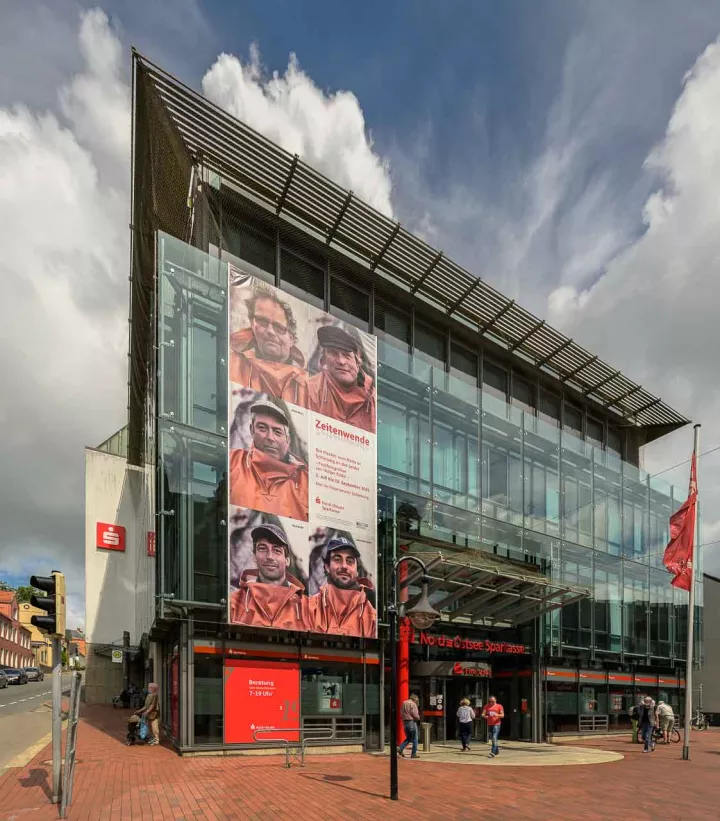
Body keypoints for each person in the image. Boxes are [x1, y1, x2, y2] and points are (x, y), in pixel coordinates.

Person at [229, 401, 309, 520]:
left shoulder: (304, 480)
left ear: (288, 439)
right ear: (252, 430)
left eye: (277, 432)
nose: (270, 438)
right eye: (262, 428)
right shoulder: (233, 461)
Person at [230, 286, 308, 407]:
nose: (270, 331)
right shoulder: (233, 364)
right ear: (252, 324)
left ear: (291, 339)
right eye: (262, 321)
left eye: (278, 327)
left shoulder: (307, 387)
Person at [229, 524, 308, 630]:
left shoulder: (308, 608)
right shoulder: (234, 603)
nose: (270, 556)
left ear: (287, 560)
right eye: (262, 549)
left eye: (277, 550)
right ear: (254, 557)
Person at [307, 325, 376, 433]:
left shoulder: (373, 397)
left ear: (358, 359)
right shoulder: (308, 390)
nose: (341, 361)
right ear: (324, 359)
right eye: (333, 353)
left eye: (346, 355)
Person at [308, 537, 377, 637]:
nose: (344, 566)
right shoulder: (310, 608)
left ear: (357, 570)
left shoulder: (371, 615)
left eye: (350, 561)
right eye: (337, 559)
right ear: (327, 567)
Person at [398, 694, 421, 759]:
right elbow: (415, 715)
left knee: (408, 738)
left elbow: (401, 713)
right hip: (412, 722)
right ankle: (413, 754)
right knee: (415, 739)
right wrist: (418, 718)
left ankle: (400, 748)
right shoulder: (413, 704)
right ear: (414, 699)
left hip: (405, 722)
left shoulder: (403, 703)